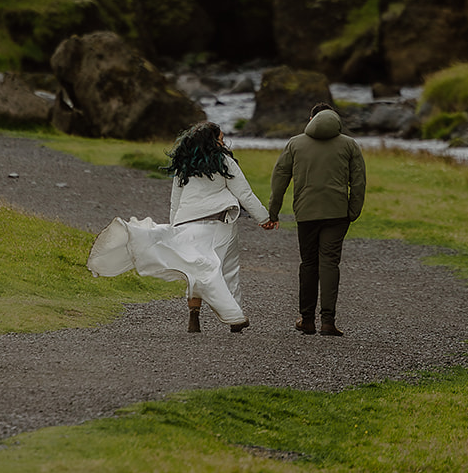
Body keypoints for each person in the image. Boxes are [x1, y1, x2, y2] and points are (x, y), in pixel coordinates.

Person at [87, 121, 274, 333]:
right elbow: (245, 194)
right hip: (219, 223)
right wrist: (264, 218)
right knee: (225, 268)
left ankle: (194, 317)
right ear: (212, 141)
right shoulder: (224, 161)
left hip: (187, 222)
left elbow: (175, 201)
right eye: (220, 139)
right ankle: (235, 317)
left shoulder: (184, 165)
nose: (223, 143)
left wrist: (174, 226)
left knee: (194, 267)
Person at [266, 102, 366, 337]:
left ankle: (307, 319)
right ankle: (328, 322)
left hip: (306, 213)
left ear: (311, 119)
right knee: (330, 263)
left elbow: (279, 178)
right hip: (337, 213)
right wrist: (353, 211)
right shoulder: (350, 145)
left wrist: (273, 212)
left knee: (308, 263)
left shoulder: (295, 143)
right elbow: (358, 182)